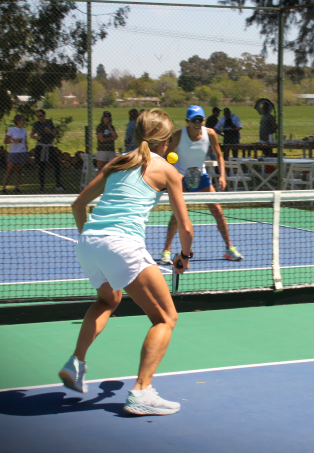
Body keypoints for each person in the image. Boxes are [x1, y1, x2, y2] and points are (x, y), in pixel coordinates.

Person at [59, 108, 192, 415]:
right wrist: (183, 256)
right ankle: (142, 392)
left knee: (108, 300)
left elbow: (78, 204)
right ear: (168, 140)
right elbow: (185, 227)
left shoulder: (117, 162)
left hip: (89, 243)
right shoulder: (168, 171)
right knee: (166, 318)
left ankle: (77, 363)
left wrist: (93, 239)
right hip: (121, 245)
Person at [159, 105, 243, 265]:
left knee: (217, 210)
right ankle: (166, 251)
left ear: (204, 120)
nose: (197, 123)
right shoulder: (178, 136)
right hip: (181, 179)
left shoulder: (210, 134)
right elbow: (165, 157)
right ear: (187, 121)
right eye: (194, 120)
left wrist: (222, 176)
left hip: (201, 177)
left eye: (200, 120)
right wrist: (175, 175)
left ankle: (229, 248)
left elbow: (219, 155)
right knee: (177, 216)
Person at [30, 109, 65, 192]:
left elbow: (54, 134)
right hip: (41, 146)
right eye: (38, 116)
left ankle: (58, 185)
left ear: (44, 115)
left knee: (56, 163)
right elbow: (31, 135)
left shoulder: (49, 122)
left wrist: (49, 132)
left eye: (40, 115)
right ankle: (42, 186)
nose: (39, 117)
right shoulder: (37, 124)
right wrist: (36, 137)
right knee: (41, 166)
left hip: (49, 145)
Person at [1, 115, 28, 194]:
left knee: (18, 170)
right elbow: (5, 141)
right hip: (13, 152)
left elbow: (25, 141)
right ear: (18, 121)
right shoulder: (12, 130)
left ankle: (16, 187)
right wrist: (14, 140)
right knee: (10, 170)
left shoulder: (24, 130)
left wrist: (26, 150)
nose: (24, 122)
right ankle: (4, 188)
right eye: (22, 120)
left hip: (21, 151)